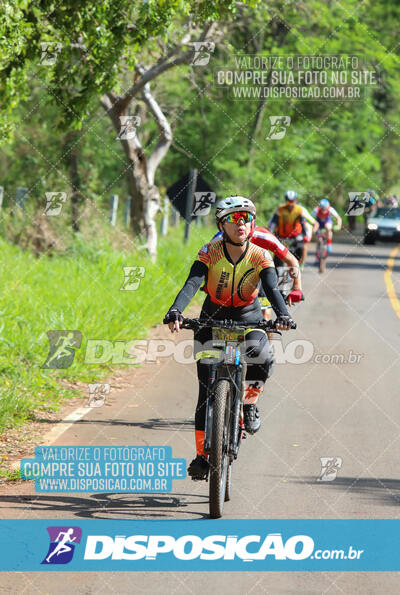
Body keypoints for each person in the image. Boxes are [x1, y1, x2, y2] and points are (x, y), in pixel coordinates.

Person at [164, 196, 295, 480]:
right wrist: (176, 310)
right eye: (235, 219)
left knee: (262, 357)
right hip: (211, 318)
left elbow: (272, 289)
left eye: (246, 218)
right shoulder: (209, 251)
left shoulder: (261, 255)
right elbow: (192, 283)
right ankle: (201, 455)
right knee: (204, 389)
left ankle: (249, 404)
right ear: (222, 224)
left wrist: (282, 314)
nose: (242, 224)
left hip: (249, 317)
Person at [269, 190, 309, 264]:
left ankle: (297, 266)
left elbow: (303, 223)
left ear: (296, 200)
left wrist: (304, 235)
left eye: (292, 201)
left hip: (295, 236)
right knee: (277, 254)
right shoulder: (280, 209)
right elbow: (274, 222)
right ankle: (278, 272)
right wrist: (271, 231)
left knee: (300, 248)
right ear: (285, 201)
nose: (290, 204)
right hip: (282, 236)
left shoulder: (299, 210)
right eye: (288, 202)